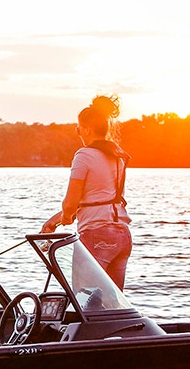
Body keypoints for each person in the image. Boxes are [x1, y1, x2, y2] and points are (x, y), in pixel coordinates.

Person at [42, 95, 132, 287]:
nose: (78, 133)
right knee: (113, 304)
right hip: (122, 236)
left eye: (78, 129)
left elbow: (71, 204)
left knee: (85, 299)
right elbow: (99, 199)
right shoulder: (118, 157)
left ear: (87, 129)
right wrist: (55, 220)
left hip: (96, 235)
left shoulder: (84, 155)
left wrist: (66, 216)